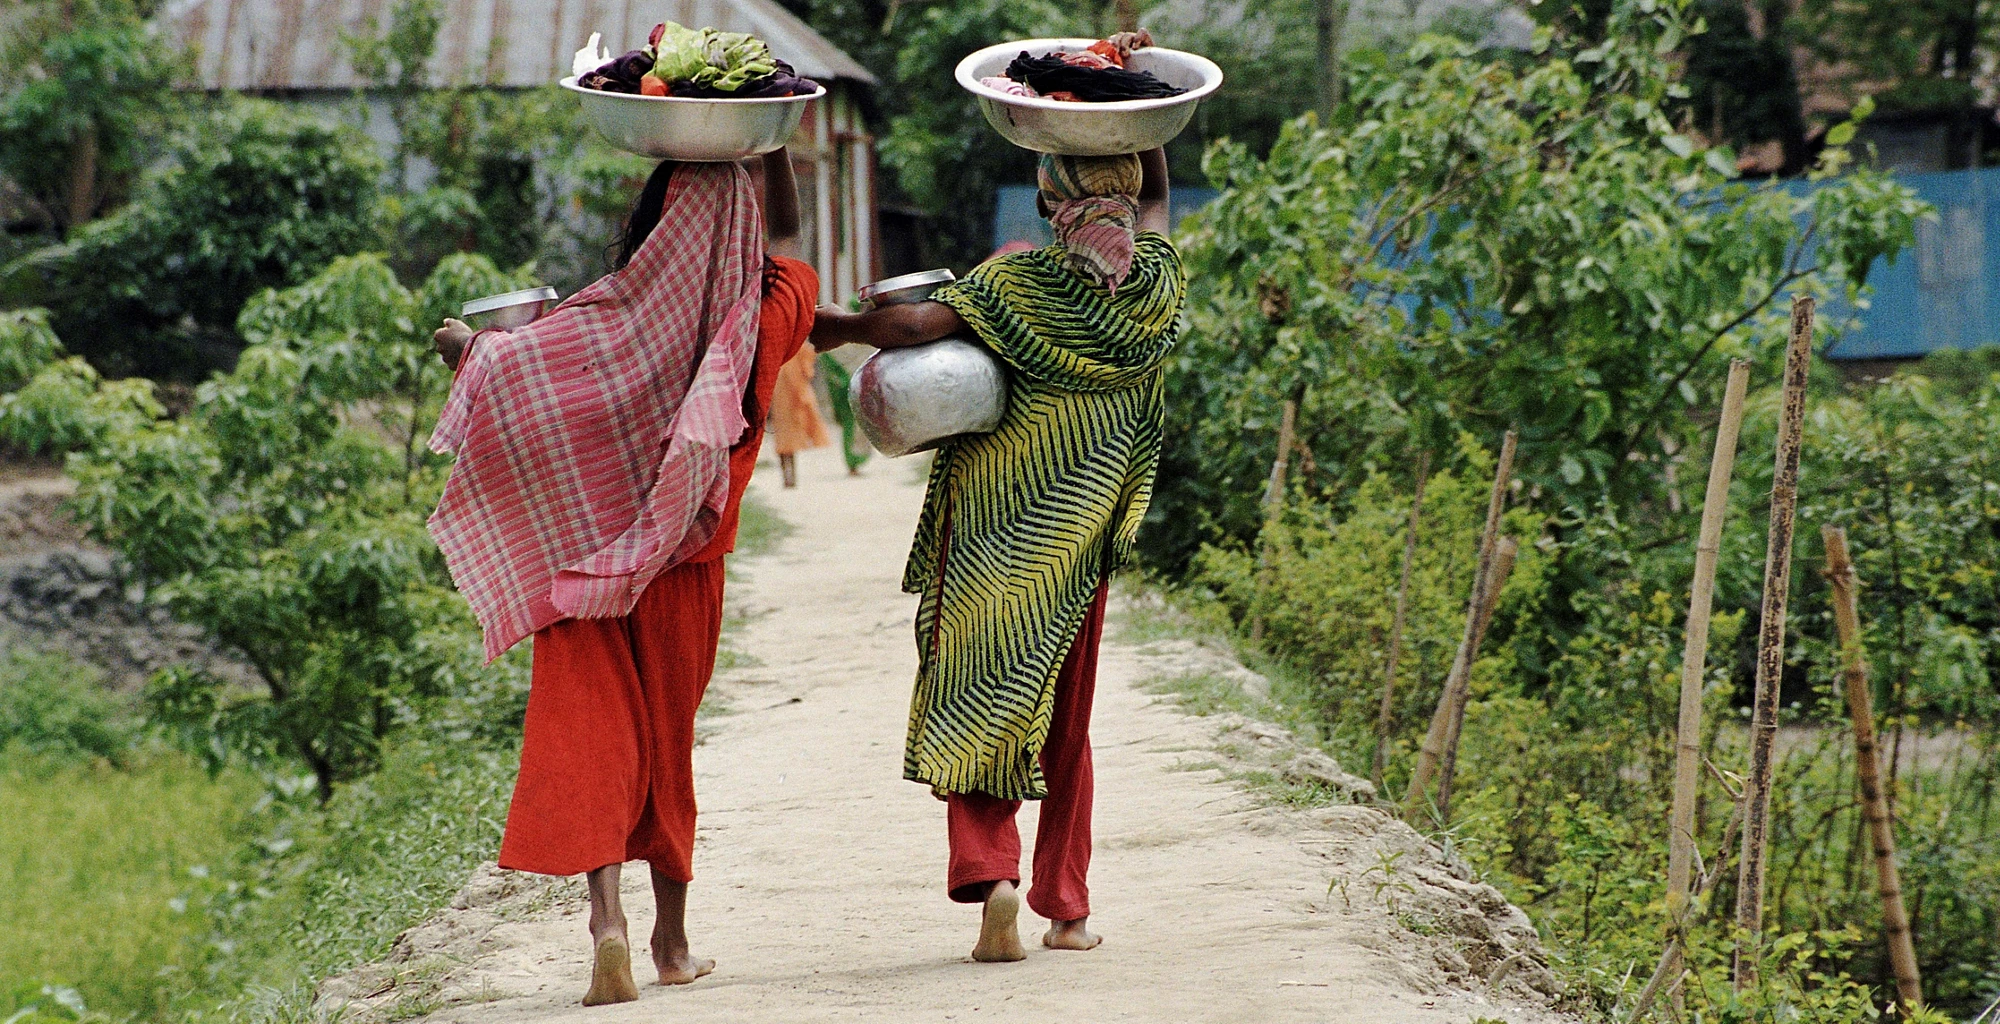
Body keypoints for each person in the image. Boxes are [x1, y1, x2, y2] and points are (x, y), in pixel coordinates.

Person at [810, 33, 1182, 961]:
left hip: (993, 533)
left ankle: (996, 881)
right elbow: (1161, 202)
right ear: (1128, 198)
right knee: (1066, 716)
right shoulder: (1160, 292)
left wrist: (836, 326)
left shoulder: (1018, 281)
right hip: (1087, 536)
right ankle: (1070, 908)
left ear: (1050, 198)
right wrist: (1135, 114)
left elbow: (914, 324)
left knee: (981, 688)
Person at [426, 149, 816, 1004]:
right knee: (666, 749)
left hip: (581, 565)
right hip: (685, 576)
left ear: (650, 221)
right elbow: (790, 233)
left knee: (592, 738)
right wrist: (771, 139)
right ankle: (671, 945)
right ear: (742, 228)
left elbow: (506, 373)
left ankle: (607, 927)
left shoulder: (593, 322)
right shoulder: (764, 314)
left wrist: (465, 344)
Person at [767, 343, 831, 486]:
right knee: (787, 441)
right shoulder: (798, 348)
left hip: (782, 396)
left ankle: (788, 477)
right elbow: (808, 370)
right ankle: (790, 477)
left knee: (784, 441)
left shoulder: (783, 348)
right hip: (791, 396)